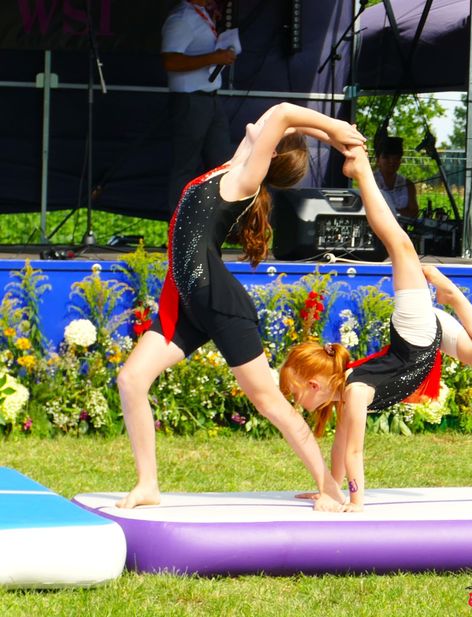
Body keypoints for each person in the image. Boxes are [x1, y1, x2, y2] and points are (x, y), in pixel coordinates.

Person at [116, 102, 366, 511]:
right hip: (186, 302)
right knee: (131, 380)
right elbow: (277, 118)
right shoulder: (232, 167)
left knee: (269, 403)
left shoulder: (245, 179)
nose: (259, 122)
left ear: (270, 150)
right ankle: (148, 484)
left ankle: (330, 488)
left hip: (219, 301)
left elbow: (282, 113)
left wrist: (334, 126)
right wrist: (331, 137)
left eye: (270, 132)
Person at [280, 145, 472, 513]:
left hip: (416, 333)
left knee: (399, 244)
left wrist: (355, 501)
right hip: (426, 341)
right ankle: (453, 297)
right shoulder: (345, 394)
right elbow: (341, 447)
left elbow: (355, 452)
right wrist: (331, 491)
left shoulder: (354, 391)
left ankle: (362, 170)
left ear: (313, 385)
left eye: (294, 395)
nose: (295, 404)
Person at [161, 0, 237, 214]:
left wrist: (220, 54)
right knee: (186, 166)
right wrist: (214, 57)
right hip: (190, 99)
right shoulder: (181, 18)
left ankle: (218, 223)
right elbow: (171, 61)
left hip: (210, 97)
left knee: (222, 164)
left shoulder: (201, 13)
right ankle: (178, 226)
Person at [373, 136, 419, 218]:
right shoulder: (370, 181)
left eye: (396, 158)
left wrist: (387, 212)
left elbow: (414, 212)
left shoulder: (408, 184)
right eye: (386, 157)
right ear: (378, 160)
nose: (392, 161)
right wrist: (401, 211)